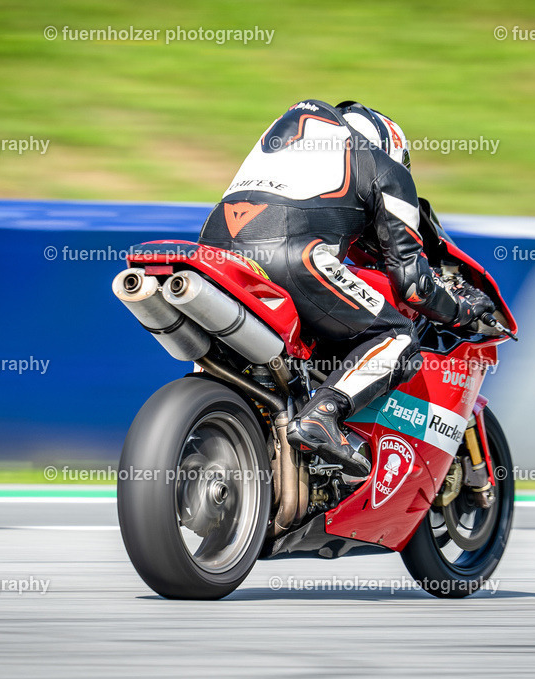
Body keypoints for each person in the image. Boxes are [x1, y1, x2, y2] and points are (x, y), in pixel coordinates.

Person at [198, 100, 494, 477]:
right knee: (396, 334)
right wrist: (463, 310)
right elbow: (414, 286)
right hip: (291, 256)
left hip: (214, 252)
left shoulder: (286, 148)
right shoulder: (382, 165)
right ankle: (324, 415)